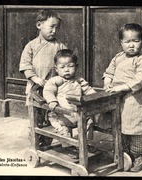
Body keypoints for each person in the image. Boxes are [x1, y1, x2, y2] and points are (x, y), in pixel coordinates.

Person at [102, 23, 142, 172]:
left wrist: (122, 87)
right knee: (120, 126)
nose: (131, 45)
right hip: (117, 99)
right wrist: (107, 83)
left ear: (141, 42)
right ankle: (124, 153)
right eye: (127, 41)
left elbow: (139, 80)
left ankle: (138, 156)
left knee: (135, 128)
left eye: (135, 41)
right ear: (121, 43)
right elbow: (109, 72)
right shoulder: (118, 58)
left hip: (133, 99)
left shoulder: (141, 61)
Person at [19, 10, 67, 149]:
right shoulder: (31, 46)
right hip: (37, 88)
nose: (54, 30)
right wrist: (35, 78)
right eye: (51, 26)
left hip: (54, 90)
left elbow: (67, 63)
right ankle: (35, 142)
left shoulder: (60, 46)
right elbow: (25, 65)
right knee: (37, 117)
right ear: (39, 25)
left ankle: (49, 142)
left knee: (53, 115)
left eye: (57, 27)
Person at [43, 49, 96, 158]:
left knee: (90, 122)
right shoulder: (56, 81)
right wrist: (52, 101)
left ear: (76, 67)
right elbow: (48, 91)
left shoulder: (79, 80)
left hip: (77, 115)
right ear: (56, 69)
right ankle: (69, 148)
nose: (66, 70)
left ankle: (86, 143)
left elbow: (88, 90)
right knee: (64, 131)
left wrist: (94, 97)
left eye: (70, 66)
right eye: (62, 67)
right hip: (61, 116)